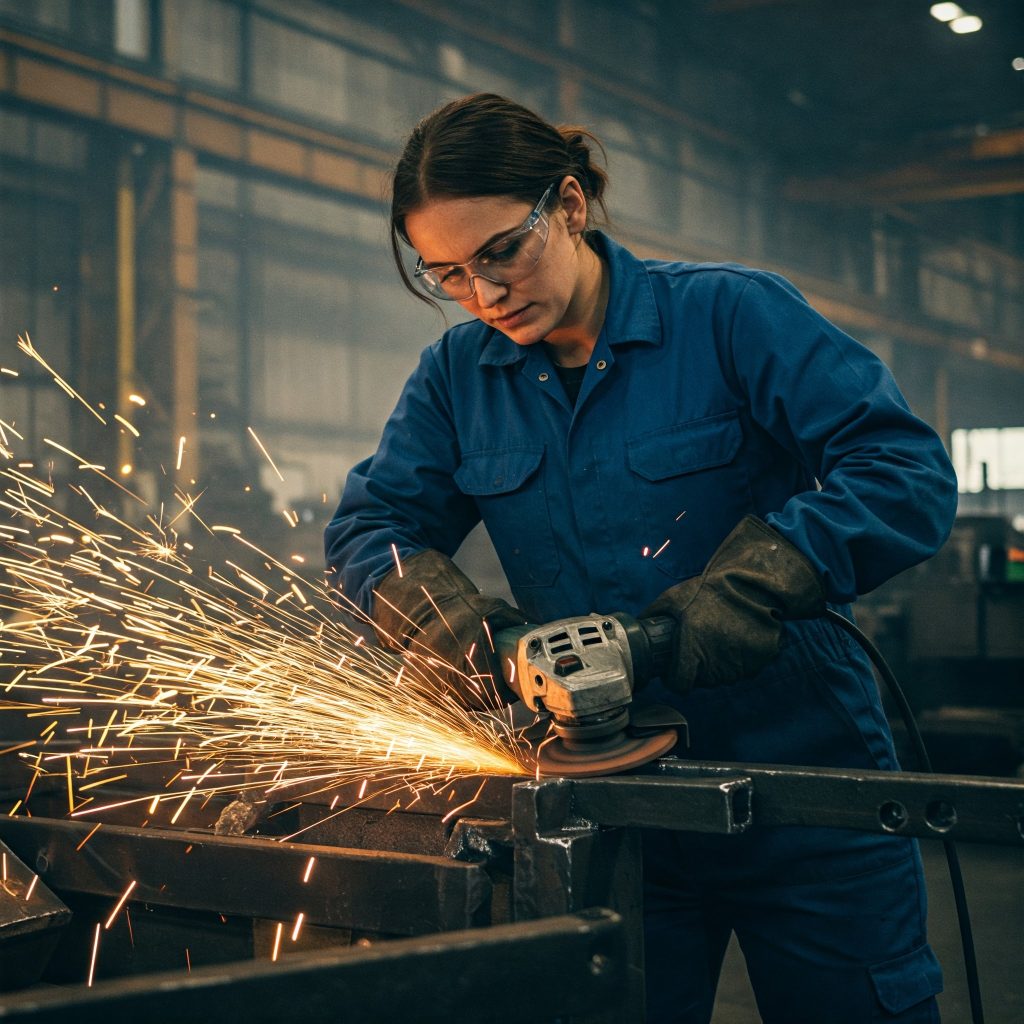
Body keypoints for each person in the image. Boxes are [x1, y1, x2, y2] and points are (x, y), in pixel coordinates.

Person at [325, 93, 957, 1023]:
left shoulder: (730, 316)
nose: (485, 294)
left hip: (805, 789)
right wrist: (465, 633)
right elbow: (371, 526)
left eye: (502, 250)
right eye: (448, 273)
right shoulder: (459, 378)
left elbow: (903, 470)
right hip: (611, 807)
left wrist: (751, 584)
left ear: (570, 206)